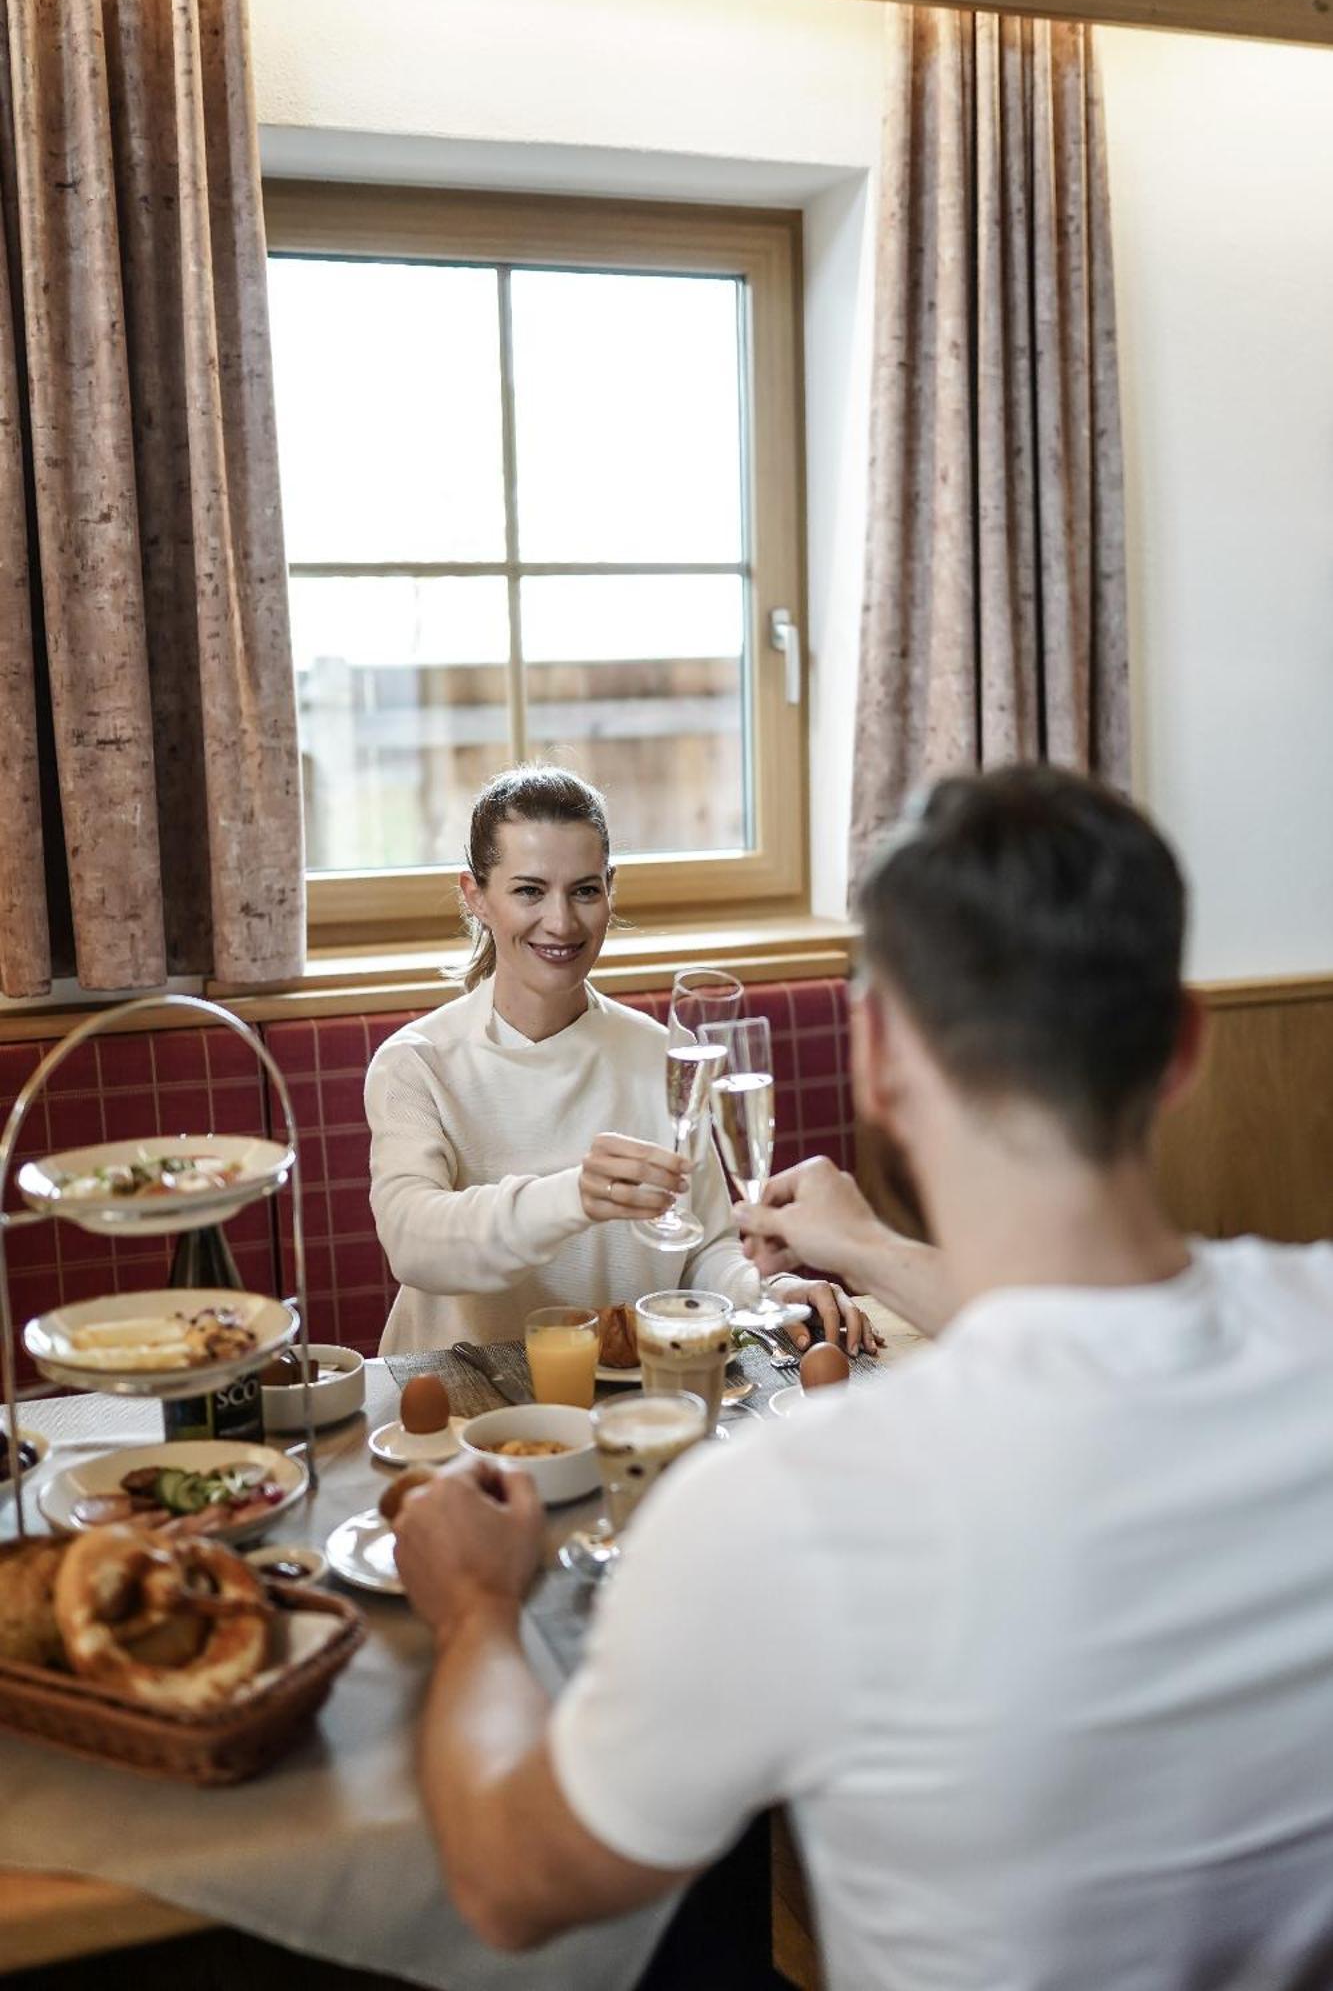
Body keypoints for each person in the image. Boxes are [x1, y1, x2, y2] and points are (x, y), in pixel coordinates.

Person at [392, 763, 1333, 1988]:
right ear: (1184, 1046)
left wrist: (473, 1611)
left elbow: (512, 1884)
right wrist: (874, 1251)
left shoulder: (772, 1509)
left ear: (876, 1056)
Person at [366, 763, 867, 1354]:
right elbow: (412, 1242)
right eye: (529, 890)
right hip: (459, 1401)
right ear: (475, 896)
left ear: (610, 891)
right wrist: (575, 1195)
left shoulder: (664, 1056)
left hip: (628, 1395)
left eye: (584, 890)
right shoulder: (417, 1063)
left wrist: (768, 1290)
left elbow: (703, 1250)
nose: (561, 922)